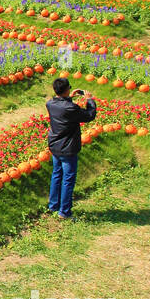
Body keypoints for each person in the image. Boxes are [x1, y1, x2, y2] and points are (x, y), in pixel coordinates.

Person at [46, 78, 96, 220]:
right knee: (68, 179)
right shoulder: (70, 108)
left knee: (57, 175)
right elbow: (89, 115)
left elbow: (61, 105)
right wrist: (89, 100)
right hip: (68, 148)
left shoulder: (50, 104)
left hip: (55, 146)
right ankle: (65, 211)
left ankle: (53, 205)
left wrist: (68, 98)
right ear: (67, 89)